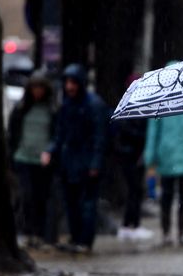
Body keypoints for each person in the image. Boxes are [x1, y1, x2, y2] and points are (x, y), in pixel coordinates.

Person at [46, 63, 108, 253]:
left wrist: (95, 163)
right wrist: (51, 151)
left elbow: (99, 137)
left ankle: (84, 241)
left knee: (87, 204)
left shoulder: (93, 105)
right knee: (71, 203)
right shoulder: (67, 105)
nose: (69, 87)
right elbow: (60, 134)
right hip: (70, 163)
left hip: (86, 163)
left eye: (73, 82)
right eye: (67, 82)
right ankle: (76, 237)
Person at [143, 78, 183, 246]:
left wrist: (150, 155)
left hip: (166, 156)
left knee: (167, 195)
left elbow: (153, 131)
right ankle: (181, 232)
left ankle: (166, 233)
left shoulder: (161, 100)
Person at [7, 70, 56, 248]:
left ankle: (38, 231)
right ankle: (28, 230)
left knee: (40, 197)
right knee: (26, 196)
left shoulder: (51, 110)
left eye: (40, 88)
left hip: (43, 161)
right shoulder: (21, 109)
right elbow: (13, 133)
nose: (37, 91)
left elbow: (55, 133)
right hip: (23, 158)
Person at [112, 74, 153, 241]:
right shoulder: (130, 107)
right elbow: (126, 132)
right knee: (133, 191)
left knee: (135, 190)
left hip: (135, 155)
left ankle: (132, 224)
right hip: (130, 156)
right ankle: (130, 225)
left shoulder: (138, 106)